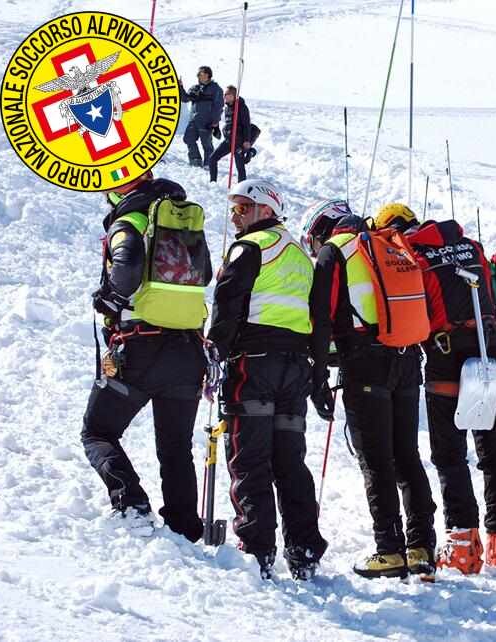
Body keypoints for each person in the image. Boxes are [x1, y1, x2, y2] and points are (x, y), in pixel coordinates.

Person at [376, 204, 496, 573]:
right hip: (492, 350)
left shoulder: (409, 255)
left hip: (447, 353)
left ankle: (462, 546)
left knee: (450, 453)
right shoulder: (471, 245)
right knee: (494, 450)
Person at [304, 200, 437, 580]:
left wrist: (317, 380)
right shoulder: (389, 243)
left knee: (376, 462)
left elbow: (321, 320)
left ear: (322, 230)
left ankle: (389, 550)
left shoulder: (337, 251)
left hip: (365, 364)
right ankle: (422, 547)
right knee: (407, 456)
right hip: (408, 357)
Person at [206, 178, 327, 580]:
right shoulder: (297, 252)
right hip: (295, 369)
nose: (235, 215)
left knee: (249, 456)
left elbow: (228, 301)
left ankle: (256, 548)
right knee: (289, 461)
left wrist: (214, 349)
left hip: (253, 366)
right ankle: (304, 549)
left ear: (265, 209)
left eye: (243, 207)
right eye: (234, 207)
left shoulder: (250, 247)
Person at [82, 171, 210, 542]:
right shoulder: (185, 227)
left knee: (97, 430)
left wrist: (110, 298)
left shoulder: (131, 220)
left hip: (141, 346)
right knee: (175, 446)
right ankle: (185, 528)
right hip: (188, 351)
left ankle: (132, 504)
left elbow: (126, 263)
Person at [179, 66, 223, 167]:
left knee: (206, 144)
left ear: (208, 75)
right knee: (188, 138)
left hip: (206, 121)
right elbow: (185, 98)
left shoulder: (216, 89)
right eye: (198, 74)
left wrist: (215, 121)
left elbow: (219, 106)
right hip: (194, 120)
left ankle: (209, 164)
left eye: (201, 74)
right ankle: (195, 160)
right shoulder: (195, 88)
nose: (199, 76)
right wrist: (180, 87)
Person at [209, 86, 251, 183]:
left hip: (238, 142)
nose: (226, 96)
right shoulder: (227, 107)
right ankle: (213, 182)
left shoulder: (242, 107)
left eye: (228, 94)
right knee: (212, 159)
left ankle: (242, 189)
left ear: (234, 96)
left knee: (240, 167)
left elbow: (246, 125)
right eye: (225, 94)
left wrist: (247, 140)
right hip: (228, 140)